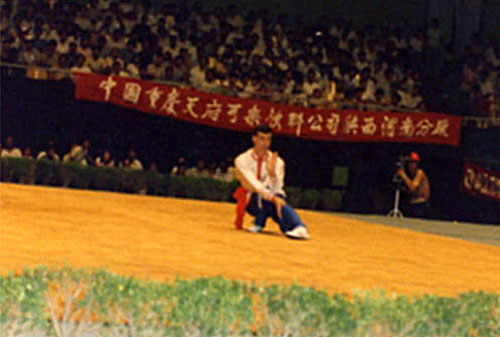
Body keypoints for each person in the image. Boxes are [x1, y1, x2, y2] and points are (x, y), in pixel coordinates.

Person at [233, 124, 310, 239]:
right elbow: (255, 185)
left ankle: (298, 228)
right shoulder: (242, 160)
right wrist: (274, 198)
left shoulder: (278, 162)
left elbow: (277, 187)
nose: (265, 143)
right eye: (261, 139)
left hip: (271, 198)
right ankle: (294, 226)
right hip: (252, 201)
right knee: (273, 199)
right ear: (254, 138)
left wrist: (272, 174)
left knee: (275, 200)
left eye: (268, 139)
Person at [397, 152, 431, 218]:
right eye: (409, 163)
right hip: (411, 205)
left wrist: (404, 176)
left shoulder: (420, 173)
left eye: (413, 162)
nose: (411, 165)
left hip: (420, 205)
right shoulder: (410, 175)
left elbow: (413, 187)